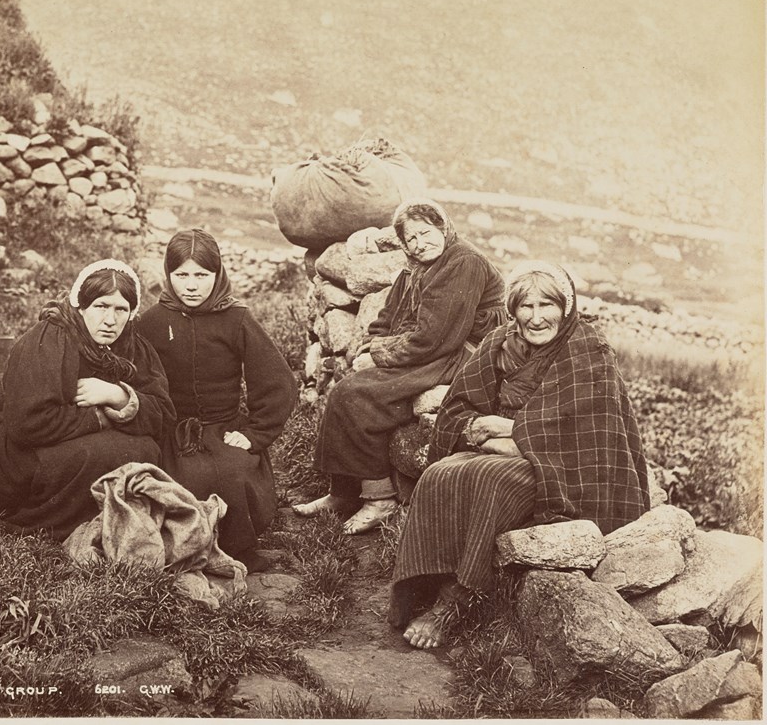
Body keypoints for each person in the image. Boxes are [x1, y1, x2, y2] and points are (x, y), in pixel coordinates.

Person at [390, 261, 650, 649]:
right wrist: (494, 438)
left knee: (496, 482)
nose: (537, 317)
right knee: (439, 474)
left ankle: (456, 600)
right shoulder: (499, 343)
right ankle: (423, 581)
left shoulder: (588, 348)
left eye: (547, 305)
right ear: (512, 310)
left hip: (564, 463)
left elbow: (587, 427)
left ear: (566, 307)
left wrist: (510, 429)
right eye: (526, 306)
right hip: (502, 449)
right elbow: (458, 409)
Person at [293, 197, 507, 534]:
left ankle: (380, 498)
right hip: (428, 348)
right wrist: (370, 344)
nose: (421, 244)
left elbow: (435, 337)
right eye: (412, 239)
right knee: (344, 391)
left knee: (359, 396)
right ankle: (343, 492)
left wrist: (378, 354)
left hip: (459, 352)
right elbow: (388, 316)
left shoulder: (463, 262)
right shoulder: (414, 268)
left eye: (426, 232)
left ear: (443, 227)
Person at [0, 259, 175, 537]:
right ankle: (51, 521)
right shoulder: (51, 338)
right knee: (98, 454)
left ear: (132, 313)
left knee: (144, 450)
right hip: (8, 453)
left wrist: (118, 396)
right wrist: (99, 417)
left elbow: (163, 415)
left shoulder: (133, 345)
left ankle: (105, 519)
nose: (110, 320)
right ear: (81, 307)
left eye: (121, 309)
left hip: (64, 435)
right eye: (101, 307)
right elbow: (28, 424)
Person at [140, 229, 296, 571]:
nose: (191, 285)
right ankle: (190, 549)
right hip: (174, 430)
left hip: (224, 427)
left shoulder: (236, 318)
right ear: (168, 276)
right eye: (182, 275)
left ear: (218, 274)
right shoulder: (151, 322)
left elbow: (276, 380)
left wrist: (256, 434)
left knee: (234, 473)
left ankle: (239, 549)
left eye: (201, 275)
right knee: (186, 481)